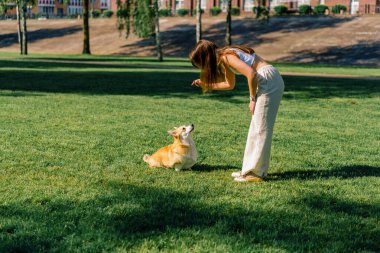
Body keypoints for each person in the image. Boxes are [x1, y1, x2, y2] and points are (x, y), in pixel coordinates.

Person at [189, 40, 284, 182]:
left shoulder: (227, 56)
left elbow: (251, 73)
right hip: (266, 79)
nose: (204, 68)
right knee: (256, 127)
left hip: (267, 80)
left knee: (261, 128)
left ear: (206, 58)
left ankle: (255, 173)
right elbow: (229, 84)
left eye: (202, 65)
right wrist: (207, 84)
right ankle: (248, 170)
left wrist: (252, 98)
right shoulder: (224, 57)